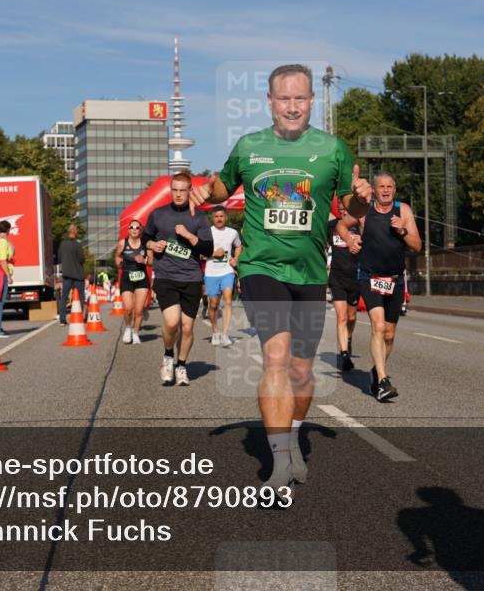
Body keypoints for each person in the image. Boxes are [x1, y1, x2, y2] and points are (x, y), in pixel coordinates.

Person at [191, 64, 372, 495]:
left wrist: (362, 202)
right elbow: (223, 186)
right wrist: (205, 191)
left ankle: (290, 437)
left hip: (310, 273)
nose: (292, 107)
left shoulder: (332, 149)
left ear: (312, 101)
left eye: (300, 98)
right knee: (276, 357)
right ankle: (278, 465)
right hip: (260, 268)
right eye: (283, 99)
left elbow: (350, 206)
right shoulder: (249, 146)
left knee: (303, 372)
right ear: (269, 102)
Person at [338, 172, 420, 401]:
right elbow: (342, 226)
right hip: (369, 277)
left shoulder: (402, 210)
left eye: (390, 187)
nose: (385, 190)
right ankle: (383, 382)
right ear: (373, 189)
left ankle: (378, 369)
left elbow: (417, 246)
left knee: (390, 333)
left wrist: (402, 231)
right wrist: (351, 240)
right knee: (378, 326)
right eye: (381, 186)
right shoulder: (364, 210)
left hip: (395, 279)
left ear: (394, 190)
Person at [143, 171, 214, 387]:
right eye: (174, 190)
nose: (178, 194)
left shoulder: (199, 217)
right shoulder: (158, 214)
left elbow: (208, 249)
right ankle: (167, 357)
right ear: (170, 190)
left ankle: (181, 365)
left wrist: (189, 235)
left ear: (190, 191)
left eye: (183, 190)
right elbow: (146, 236)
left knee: (188, 327)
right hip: (166, 276)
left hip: (191, 278)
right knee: (172, 322)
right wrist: (152, 245)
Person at [326, 200, 361, 371]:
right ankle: (344, 354)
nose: (341, 208)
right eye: (339, 206)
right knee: (342, 317)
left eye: (345, 205)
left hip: (355, 276)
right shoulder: (331, 225)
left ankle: (348, 339)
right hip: (337, 276)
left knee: (352, 317)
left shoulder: (359, 224)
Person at [204, 206, 242, 347]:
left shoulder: (233, 232)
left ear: (226, 217)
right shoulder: (207, 233)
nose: (219, 219)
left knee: (227, 300)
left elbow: (238, 246)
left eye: (221, 216)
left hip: (227, 271)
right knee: (213, 305)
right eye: (216, 216)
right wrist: (214, 254)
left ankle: (225, 334)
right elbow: (200, 253)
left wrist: (236, 258)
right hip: (211, 273)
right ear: (212, 218)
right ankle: (215, 331)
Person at [114, 219, 152, 344]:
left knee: (139, 310)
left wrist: (144, 261)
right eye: (132, 227)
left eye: (137, 227)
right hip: (127, 277)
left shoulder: (146, 244)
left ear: (141, 230)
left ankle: (136, 333)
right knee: (128, 307)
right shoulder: (122, 243)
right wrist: (118, 262)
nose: (134, 229)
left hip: (142, 278)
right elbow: (118, 256)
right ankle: (128, 328)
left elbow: (151, 262)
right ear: (128, 230)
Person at [57, 224, 86, 325]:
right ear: (75, 231)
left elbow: (59, 258)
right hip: (78, 275)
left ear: (69, 232)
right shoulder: (78, 244)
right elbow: (82, 259)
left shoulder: (62, 244)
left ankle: (62, 320)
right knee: (81, 297)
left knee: (64, 297)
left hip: (67, 275)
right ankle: (80, 317)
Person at [0, 220, 15, 338]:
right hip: (1, 273)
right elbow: (3, 260)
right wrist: (9, 276)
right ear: (8, 229)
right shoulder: (3, 242)